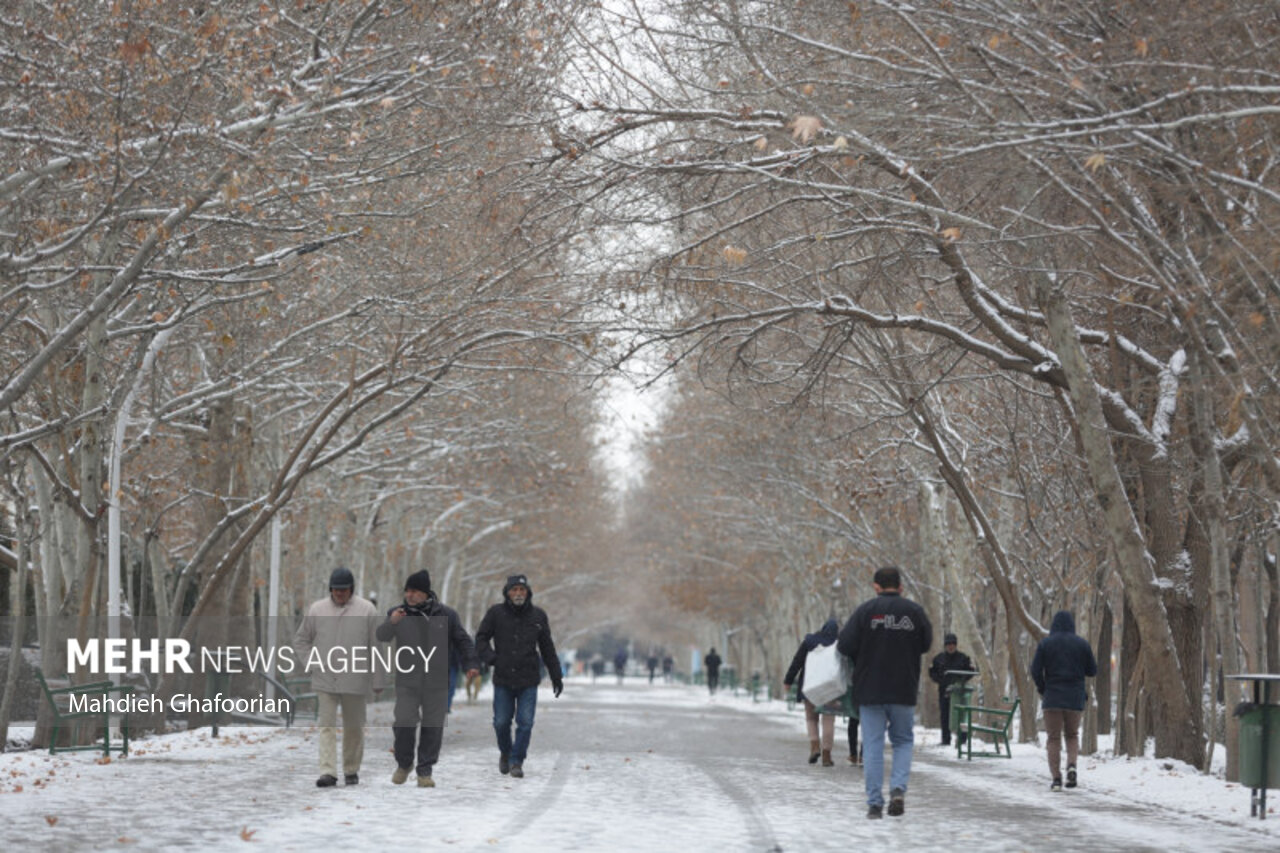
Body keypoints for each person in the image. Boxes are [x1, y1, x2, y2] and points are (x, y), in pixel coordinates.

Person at [837, 566, 933, 819]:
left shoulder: (865, 612)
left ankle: (875, 804)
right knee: (902, 741)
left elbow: (844, 645)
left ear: (876, 587)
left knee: (873, 745)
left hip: (870, 689)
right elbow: (926, 643)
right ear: (900, 587)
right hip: (904, 687)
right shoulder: (915, 612)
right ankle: (898, 789)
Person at [376, 570, 478, 788]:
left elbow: (463, 641)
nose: (409, 595)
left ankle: (425, 770)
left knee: (433, 727)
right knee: (403, 722)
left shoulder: (447, 615)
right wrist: (391, 623)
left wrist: (470, 664)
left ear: (425, 593)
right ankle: (404, 764)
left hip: (436, 681)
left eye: (414, 591)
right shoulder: (397, 613)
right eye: (407, 591)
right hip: (407, 680)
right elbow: (381, 636)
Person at [292, 567, 384, 788]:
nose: (339, 593)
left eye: (343, 589)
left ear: (351, 589)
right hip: (325, 677)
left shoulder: (367, 610)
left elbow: (376, 647)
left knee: (354, 726)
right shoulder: (317, 609)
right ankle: (328, 772)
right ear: (330, 589)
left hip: (356, 677)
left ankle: (351, 769)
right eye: (335, 589)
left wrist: (378, 679)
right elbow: (301, 640)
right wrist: (312, 663)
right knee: (326, 726)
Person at [475, 574, 563, 779]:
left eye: (522, 590)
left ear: (528, 592)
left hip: (528, 679)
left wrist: (556, 675)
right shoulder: (495, 613)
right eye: (514, 590)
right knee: (501, 722)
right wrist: (492, 658)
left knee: (525, 722)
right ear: (507, 592)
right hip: (503, 678)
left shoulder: (538, 616)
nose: (518, 593)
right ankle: (505, 752)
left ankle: (517, 761)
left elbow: (547, 647)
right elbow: (480, 639)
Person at [1030, 610, 1098, 792]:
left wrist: (1043, 687)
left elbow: (1035, 670)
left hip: (1052, 696)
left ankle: (1056, 779)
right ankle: (1072, 765)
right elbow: (1092, 670)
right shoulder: (1082, 644)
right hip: (1075, 698)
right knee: (1072, 735)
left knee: (1053, 738)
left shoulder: (1045, 644)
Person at [783, 618, 841, 767]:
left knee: (811, 719)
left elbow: (797, 661)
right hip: (830, 688)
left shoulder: (810, 642)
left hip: (810, 686)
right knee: (828, 720)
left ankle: (815, 746)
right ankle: (827, 755)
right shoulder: (839, 644)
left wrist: (788, 680)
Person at [928, 633, 977, 747]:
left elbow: (971, 671)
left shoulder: (963, 658)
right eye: (948, 644)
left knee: (962, 714)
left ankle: (962, 739)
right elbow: (932, 672)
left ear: (956, 645)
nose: (951, 646)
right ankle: (946, 740)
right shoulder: (938, 658)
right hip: (944, 691)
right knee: (945, 715)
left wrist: (961, 681)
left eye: (953, 644)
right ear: (945, 645)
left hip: (960, 692)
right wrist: (941, 680)